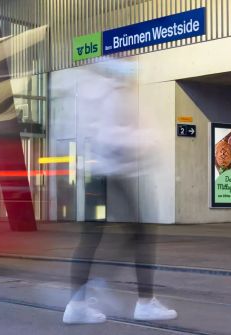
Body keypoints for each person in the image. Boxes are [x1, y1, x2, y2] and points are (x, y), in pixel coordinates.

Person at [57, 60, 177, 324]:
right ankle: (141, 301)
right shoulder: (116, 92)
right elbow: (113, 136)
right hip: (114, 172)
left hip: (94, 173)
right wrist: (149, 142)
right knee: (141, 235)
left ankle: (77, 304)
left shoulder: (90, 90)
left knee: (93, 237)